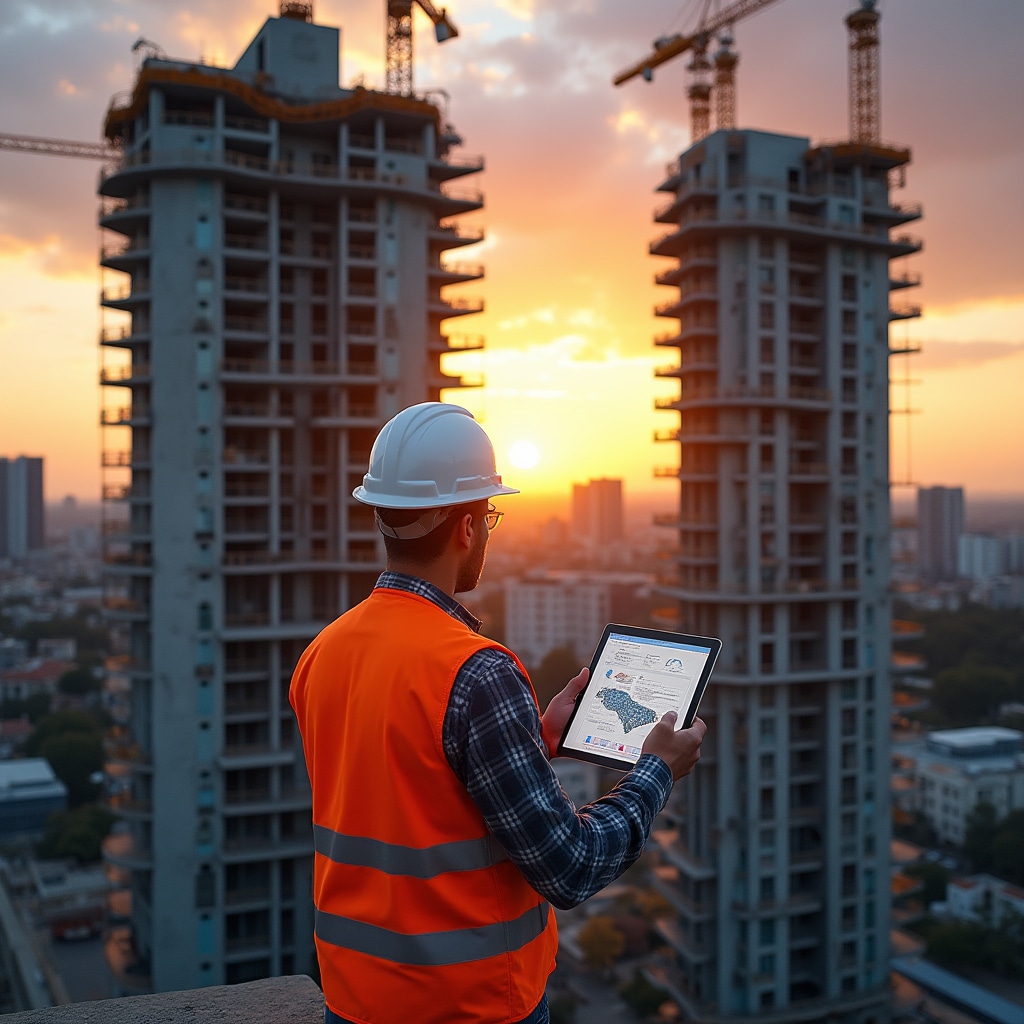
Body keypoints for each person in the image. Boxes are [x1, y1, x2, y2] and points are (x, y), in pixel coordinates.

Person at [290, 402, 707, 1024]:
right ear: (464, 528)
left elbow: (407, 790)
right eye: (487, 514)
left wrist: (532, 739)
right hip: (466, 1006)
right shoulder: (476, 672)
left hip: (355, 1001)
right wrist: (655, 771)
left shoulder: (325, 652)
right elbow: (571, 866)